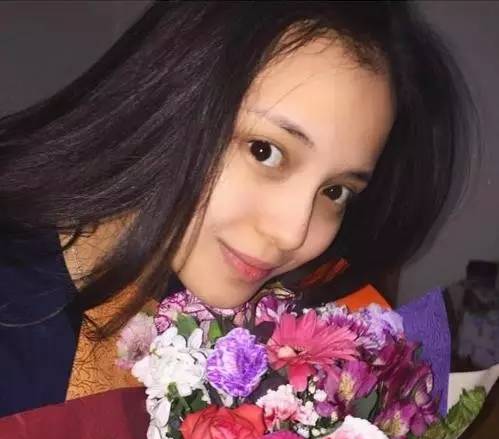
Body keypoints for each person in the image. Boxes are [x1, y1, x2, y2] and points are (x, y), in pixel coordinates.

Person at [0, 2, 474, 417]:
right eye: (266, 151)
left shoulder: (226, 318)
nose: (293, 234)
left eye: (336, 191)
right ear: (169, 97)